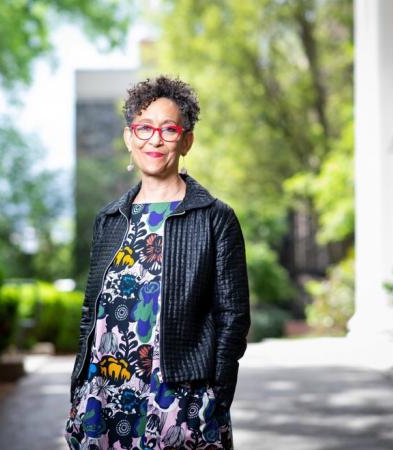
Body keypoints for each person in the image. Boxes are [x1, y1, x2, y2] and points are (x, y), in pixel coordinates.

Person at [65, 75, 250, 450]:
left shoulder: (215, 218)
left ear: (186, 141)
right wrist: (79, 386)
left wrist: (217, 397)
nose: (155, 139)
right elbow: (91, 312)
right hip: (106, 395)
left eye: (168, 129)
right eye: (144, 128)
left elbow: (233, 317)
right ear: (129, 137)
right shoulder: (109, 219)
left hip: (182, 401)